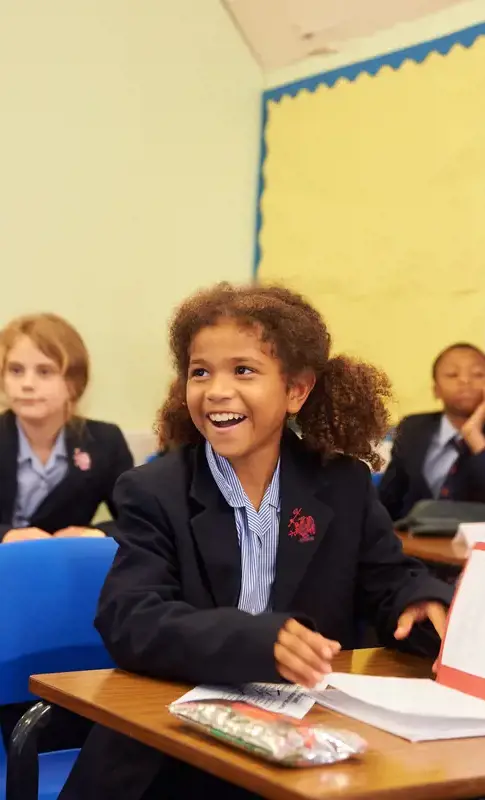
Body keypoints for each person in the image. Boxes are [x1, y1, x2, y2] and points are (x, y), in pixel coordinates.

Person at [59, 284, 452, 800]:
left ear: (296, 390)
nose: (216, 390)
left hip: (306, 743)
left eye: (243, 370)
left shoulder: (341, 486)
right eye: (200, 372)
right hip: (172, 750)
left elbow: (387, 579)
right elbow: (130, 617)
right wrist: (256, 641)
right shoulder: (155, 490)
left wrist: (419, 601)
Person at [0, 312, 134, 543]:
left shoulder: (105, 442)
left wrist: (97, 533)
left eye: (44, 372)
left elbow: (138, 520)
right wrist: (7, 535)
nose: (27, 384)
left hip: (70, 568)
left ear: (74, 383)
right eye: (16, 370)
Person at [379, 342, 485, 521]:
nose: (465, 381)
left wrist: (474, 437)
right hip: (412, 543)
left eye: (478, 374)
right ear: (436, 390)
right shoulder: (413, 428)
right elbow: (388, 498)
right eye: (452, 374)